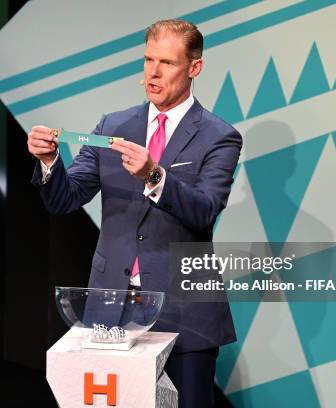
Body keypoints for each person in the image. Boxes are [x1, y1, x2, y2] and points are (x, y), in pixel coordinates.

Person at [28, 19, 242, 408]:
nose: (153, 72)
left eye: (167, 63)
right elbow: (65, 199)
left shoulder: (219, 136)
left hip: (184, 315)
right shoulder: (114, 126)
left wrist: (154, 175)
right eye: (148, 60)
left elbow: (204, 210)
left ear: (194, 68)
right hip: (111, 310)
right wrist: (49, 163)